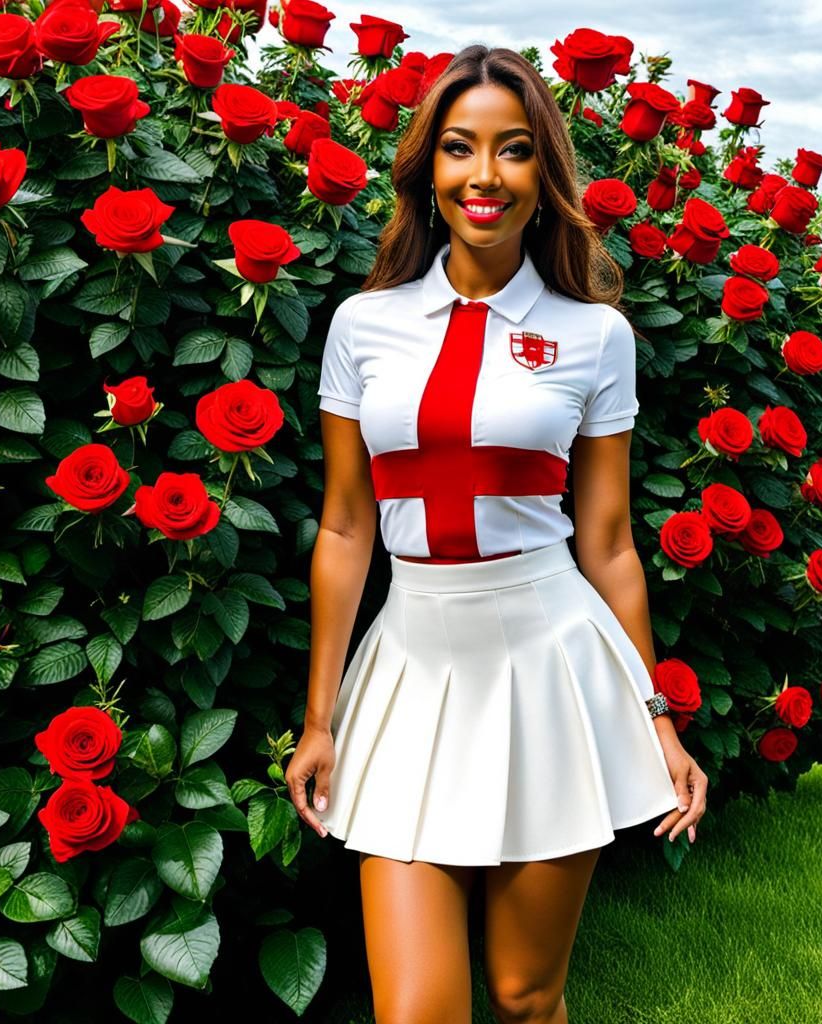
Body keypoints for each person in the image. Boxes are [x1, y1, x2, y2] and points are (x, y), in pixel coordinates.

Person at [287, 44, 708, 1024]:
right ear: (429, 170)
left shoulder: (595, 336)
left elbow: (607, 542)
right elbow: (347, 526)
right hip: (408, 665)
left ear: (542, 173)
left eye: (513, 151)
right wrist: (320, 718)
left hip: (551, 663)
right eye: (460, 149)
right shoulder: (362, 325)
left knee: (525, 995)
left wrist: (655, 714)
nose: (485, 176)